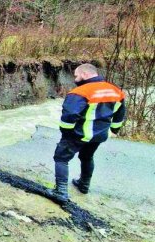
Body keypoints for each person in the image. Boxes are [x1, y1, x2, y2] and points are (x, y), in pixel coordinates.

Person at [50, 63, 126, 202]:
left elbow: (69, 115)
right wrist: (114, 130)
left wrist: (66, 133)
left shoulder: (80, 92)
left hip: (79, 134)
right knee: (86, 157)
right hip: (99, 135)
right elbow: (120, 114)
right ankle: (84, 185)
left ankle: (60, 191)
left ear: (85, 74)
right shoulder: (116, 91)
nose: (75, 78)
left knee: (61, 158)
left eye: (76, 75)